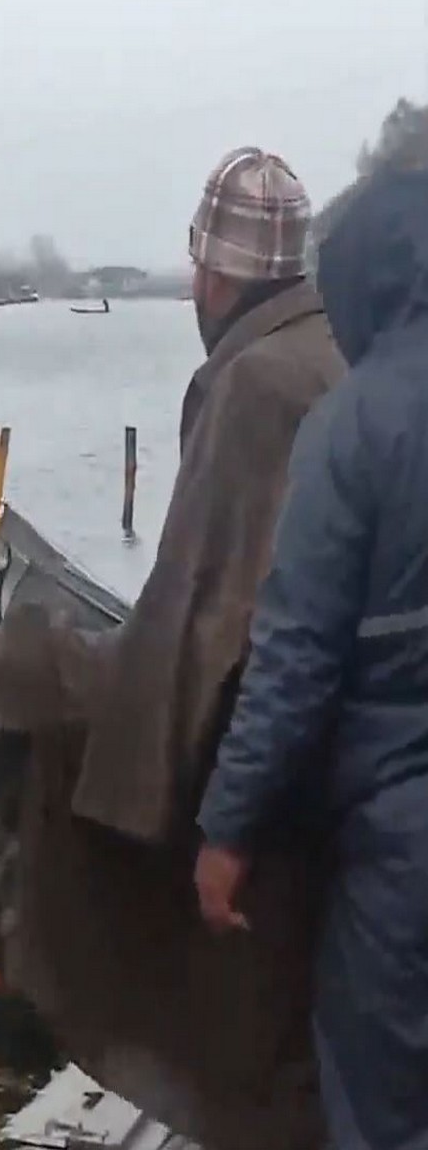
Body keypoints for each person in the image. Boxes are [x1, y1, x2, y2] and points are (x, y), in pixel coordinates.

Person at [0, 147, 347, 1150]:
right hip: (344, 758)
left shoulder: (253, 384)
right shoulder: (340, 348)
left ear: (211, 276)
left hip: (281, 783)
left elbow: (206, 625)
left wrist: (173, 796)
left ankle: (79, 995)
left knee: (11, 690)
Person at [196, 169, 428, 1150]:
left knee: (381, 1109)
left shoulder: (358, 424)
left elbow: (292, 657)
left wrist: (227, 829)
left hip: (398, 837)